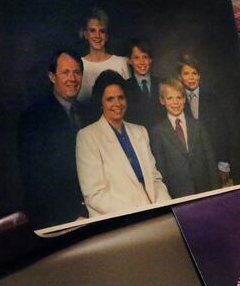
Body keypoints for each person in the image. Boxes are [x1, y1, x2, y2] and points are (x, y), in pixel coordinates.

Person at [76, 70, 171, 217]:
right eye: (110, 99)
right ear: (100, 102)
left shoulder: (140, 131)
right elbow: (94, 195)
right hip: (119, 220)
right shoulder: (87, 137)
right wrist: (139, 211)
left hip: (154, 214)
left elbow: (155, 178)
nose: (117, 104)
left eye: (121, 97)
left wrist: (164, 206)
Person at [16, 50, 88, 228]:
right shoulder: (34, 117)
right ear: (52, 77)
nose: (72, 78)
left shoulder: (87, 112)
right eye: (65, 72)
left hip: (87, 211)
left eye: (77, 72)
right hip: (54, 217)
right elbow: (36, 179)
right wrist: (70, 216)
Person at [149, 78, 222, 197]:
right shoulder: (157, 131)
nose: (175, 102)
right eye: (170, 98)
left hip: (205, 189)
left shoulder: (198, 125)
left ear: (184, 99)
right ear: (162, 101)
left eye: (179, 97)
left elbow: (210, 159)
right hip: (178, 194)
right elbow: (162, 169)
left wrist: (216, 191)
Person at [175, 54, 232, 185]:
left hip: (215, 160)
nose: (191, 78)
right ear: (179, 77)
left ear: (199, 75)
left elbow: (223, 131)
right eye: (186, 73)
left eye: (194, 73)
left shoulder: (212, 98)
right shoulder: (176, 101)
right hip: (192, 165)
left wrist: (223, 164)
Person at [77, 8, 130, 103]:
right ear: (85, 34)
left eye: (102, 31)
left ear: (107, 36)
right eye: (92, 30)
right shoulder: (78, 65)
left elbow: (128, 98)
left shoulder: (121, 63)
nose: (97, 36)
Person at [124, 38, 163, 127]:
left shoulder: (162, 83)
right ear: (130, 61)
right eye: (136, 58)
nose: (142, 62)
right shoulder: (124, 87)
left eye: (145, 57)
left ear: (150, 60)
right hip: (137, 137)